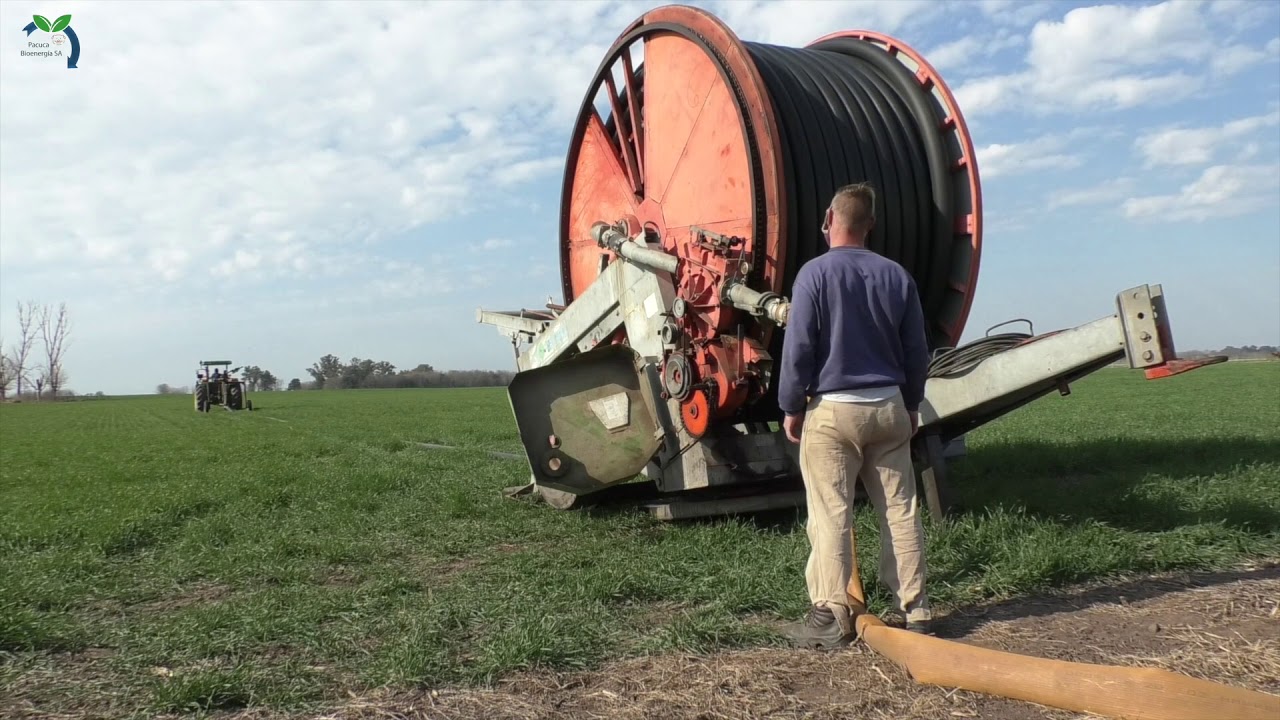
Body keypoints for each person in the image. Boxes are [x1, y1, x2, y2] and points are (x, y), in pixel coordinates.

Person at [777, 182, 933, 649]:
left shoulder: (814, 274)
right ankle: (917, 611)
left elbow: (799, 347)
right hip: (889, 406)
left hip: (833, 411)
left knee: (831, 514)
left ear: (829, 219)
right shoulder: (896, 276)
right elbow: (916, 350)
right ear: (871, 225)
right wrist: (911, 403)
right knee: (900, 512)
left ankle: (831, 616)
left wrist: (791, 405)